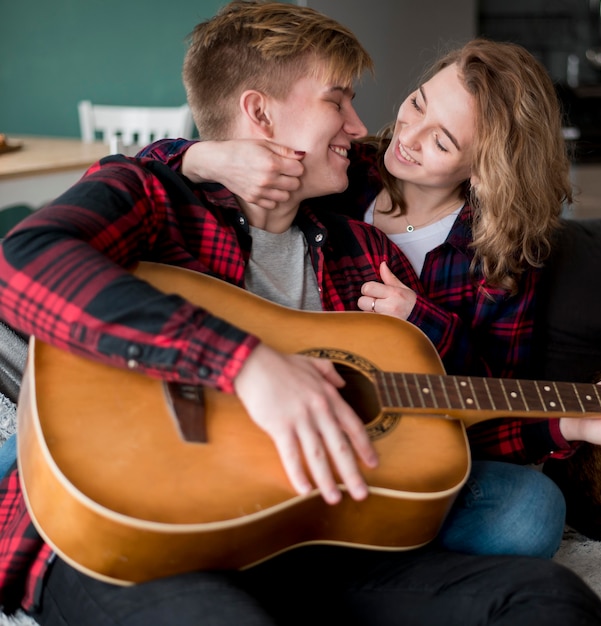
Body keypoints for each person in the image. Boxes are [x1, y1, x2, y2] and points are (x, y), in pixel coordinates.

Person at [0, 2, 601, 624]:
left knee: (550, 595)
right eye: (337, 102)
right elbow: (24, 261)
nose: (363, 127)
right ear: (260, 112)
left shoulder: (364, 256)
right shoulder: (158, 196)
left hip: (311, 537)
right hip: (144, 536)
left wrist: (575, 420)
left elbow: (437, 421)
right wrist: (248, 365)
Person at [136, 37, 578, 558]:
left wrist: (423, 322)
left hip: (402, 439)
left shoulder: (501, 259)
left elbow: (492, 404)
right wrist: (207, 157)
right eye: (416, 103)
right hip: (268, 403)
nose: (407, 135)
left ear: (484, 170)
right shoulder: (345, 170)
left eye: (441, 143)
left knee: (530, 511)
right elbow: (152, 177)